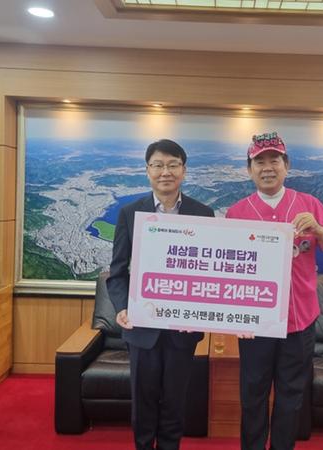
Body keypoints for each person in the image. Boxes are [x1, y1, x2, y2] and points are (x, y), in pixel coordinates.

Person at [226, 132, 323, 450]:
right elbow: (228, 272)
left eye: (274, 160)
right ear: (249, 169)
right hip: (255, 324)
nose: (267, 167)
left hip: (300, 320)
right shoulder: (237, 212)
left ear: (286, 165)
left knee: (291, 396)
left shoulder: (309, 204)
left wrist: (318, 229)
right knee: (253, 394)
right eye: (259, 162)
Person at [106, 139, 214, 450]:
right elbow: (117, 273)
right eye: (158, 165)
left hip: (183, 329)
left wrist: (202, 311)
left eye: (172, 165)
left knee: (175, 402)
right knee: (143, 401)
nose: (165, 172)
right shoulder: (130, 213)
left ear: (184, 170)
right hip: (142, 328)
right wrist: (122, 307)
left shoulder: (202, 213)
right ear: (147, 170)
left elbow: (208, 272)